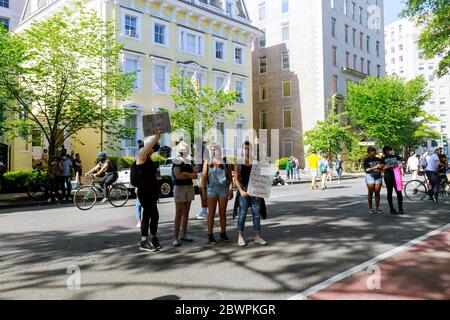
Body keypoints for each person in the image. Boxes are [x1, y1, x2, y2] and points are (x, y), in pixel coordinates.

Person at [234, 141, 268, 247]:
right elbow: (235, 178)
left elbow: (262, 177)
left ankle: (257, 236)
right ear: (242, 150)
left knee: (256, 215)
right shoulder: (238, 162)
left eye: (249, 149)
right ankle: (240, 237)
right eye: (245, 148)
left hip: (255, 192)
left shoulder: (256, 162)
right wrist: (240, 191)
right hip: (243, 191)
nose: (247, 150)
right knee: (242, 214)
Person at [135, 133, 162, 252]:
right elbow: (147, 148)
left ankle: (152, 238)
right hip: (144, 191)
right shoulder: (141, 156)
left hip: (151, 191)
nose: (156, 147)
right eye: (154, 145)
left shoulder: (149, 158)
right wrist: (155, 138)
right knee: (149, 214)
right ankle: (144, 241)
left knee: (152, 215)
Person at [202, 143, 233, 245]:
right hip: (211, 190)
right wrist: (203, 191)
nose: (214, 151)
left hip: (223, 189)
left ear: (220, 150)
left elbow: (229, 177)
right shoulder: (208, 161)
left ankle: (223, 233)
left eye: (216, 149)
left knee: (222, 213)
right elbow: (203, 177)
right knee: (211, 214)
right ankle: (210, 235)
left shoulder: (225, 161)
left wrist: (231, 189)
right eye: (212, 149)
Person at [172, 142, 198, 247]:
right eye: (182, 149)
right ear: (179, 150)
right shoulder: (176, 161)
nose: (184, 151)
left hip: (189, 188)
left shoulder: (190, 161)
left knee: (186, 213)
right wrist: (189, 175)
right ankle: (175, 238)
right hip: (179, 188)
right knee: (179, 213)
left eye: (186, 149)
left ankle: (183, 234)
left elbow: (196, 176)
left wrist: (186, 174)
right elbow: (178, 176)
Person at [381, 146, 404, 215]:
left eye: (392, 150)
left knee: (399, 192)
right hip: (388, 176)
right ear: (387, 151)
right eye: (391, 150)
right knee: (389, 192)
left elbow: (404, 159)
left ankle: (400, 209)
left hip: (396, 175)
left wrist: (398, 156)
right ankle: (392, 209)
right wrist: (390, 165)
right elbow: (382, 168)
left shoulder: (395, 156)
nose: (392, 151)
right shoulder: (383, 158)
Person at [364, 147, 384, 214]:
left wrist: (381, 167)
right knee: (370, 192)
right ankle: (370, 208)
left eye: (374, 151)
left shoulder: (378, 159)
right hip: (370, 176)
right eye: (372, 151)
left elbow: (382, 166)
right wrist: (375, 167)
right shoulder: (366, 160)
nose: (374, 152)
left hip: (378, 176)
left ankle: (377, 208)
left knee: (377, 192)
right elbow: (366, 170)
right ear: (369, 152)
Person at [196, 142, 210, 220]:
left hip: (202, 173)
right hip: (199, 173)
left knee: (203, 192)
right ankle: (204, 210)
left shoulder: (203, 150)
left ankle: (205, 211)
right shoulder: (199, 150)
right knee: (201, 192)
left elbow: (205, 161)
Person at [134, 140, 145, 229]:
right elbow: (136, 174)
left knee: (143, 204)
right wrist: (136, 186)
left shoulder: (148, 158)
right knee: (138, 203)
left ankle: (142, 221)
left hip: (147, 184)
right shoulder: (138, 159)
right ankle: (139, 221)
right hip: (141, 184)